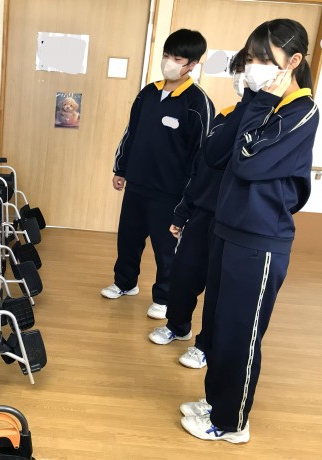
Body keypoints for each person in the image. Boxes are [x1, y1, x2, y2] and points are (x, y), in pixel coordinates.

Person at [179, 19, 319, 443]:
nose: (253, 65)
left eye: (262, 58)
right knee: (219, 327)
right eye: (251, 57)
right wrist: (251, 101)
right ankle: (216, 402)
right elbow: (215, 152)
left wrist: (261, 103)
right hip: (226, 229)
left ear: (293, 61)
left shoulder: (301, 111)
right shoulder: (261, 103)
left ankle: (231, 422)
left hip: (260, 242)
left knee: (241, 333)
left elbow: (247, 162)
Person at [100, 29, 214, 321]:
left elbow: (201, 155)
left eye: (177, 59)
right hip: (137, 184)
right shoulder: (148, 93)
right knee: (128, 239)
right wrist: (121, 168)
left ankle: (164, 298)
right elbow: (131, 133)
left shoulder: (198, 102)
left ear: (192, 64)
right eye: (166, 55)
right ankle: (125, 282)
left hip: (171, 193)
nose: (169, 63)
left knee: (166, 250)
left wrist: (190, 198)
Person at [147, 50, 249, 371]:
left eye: (246, 71)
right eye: (239, 71)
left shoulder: (264, 122)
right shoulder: (225, 115)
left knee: (219, 289)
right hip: (202, 211)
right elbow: (201, 169)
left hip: (233, 221)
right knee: (184, 274)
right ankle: (177, 326)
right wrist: (183, 211)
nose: (241, 78)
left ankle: (205, 345)